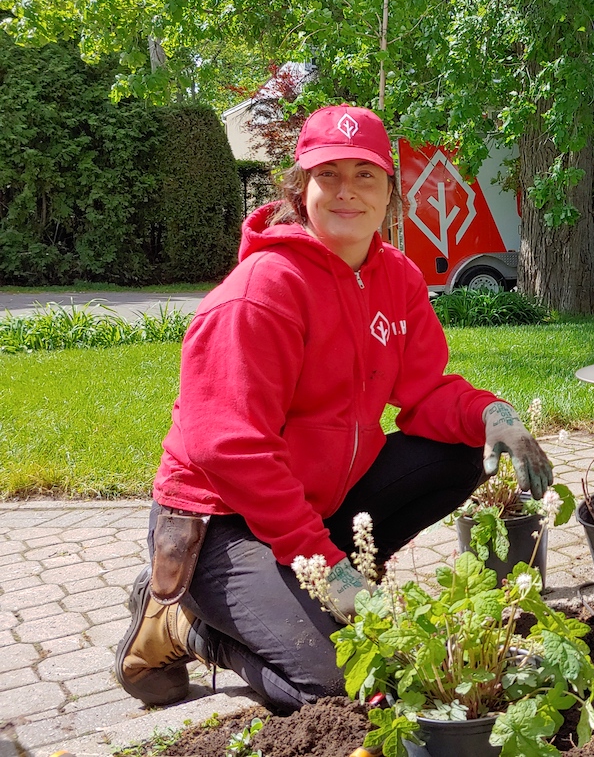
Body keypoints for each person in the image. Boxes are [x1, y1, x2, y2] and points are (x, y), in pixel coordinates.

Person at [114, 104, 552, 712]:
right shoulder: (261, 292)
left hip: (316, 503)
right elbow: (230, 450)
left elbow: (424, 392)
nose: (348, 191)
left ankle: (327, 587)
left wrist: (494, 416)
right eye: (329, 175)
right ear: (301, 190)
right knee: (345, 686)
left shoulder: (395, 277)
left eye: (365, 175)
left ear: (390, 192)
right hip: (222, 521)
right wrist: (322, 562)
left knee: (464, 452)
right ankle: (187, 627)